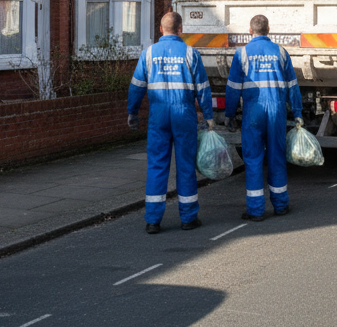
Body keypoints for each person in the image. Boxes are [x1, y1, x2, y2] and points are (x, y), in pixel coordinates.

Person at [127, 12, 214, 234]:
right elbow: (203, 87)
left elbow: (136, 86)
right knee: (186, 166)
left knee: (157, 165)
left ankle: (153, 221)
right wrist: (208, 116)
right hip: (184, 113)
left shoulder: (148, 54)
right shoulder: (190, 53)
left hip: (158, 116)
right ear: (180, 29)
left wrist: (132, 112)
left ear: (160, 29)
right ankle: (188, 218)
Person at [224, 14, 302, 221]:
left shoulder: (242, 54)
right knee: (277, 155)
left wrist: (229, 115)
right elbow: (293, 86)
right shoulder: (281, 52)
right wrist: (298, 113)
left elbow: (232, 88)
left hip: (253, 111)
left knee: (253, 159)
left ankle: (256, 210)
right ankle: (281, 205)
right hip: (276, 110)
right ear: (269, 30)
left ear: (250, 31)